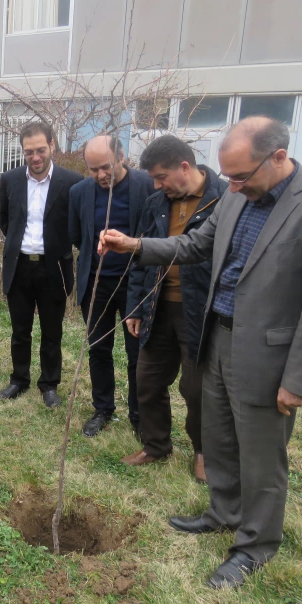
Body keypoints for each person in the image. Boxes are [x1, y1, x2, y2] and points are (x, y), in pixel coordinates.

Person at [99, 117, 302, 588]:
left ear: (278, 157)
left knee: (260, 455)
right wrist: (135, 245)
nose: (233, 186)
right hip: (215, 337)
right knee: (217, 436)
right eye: (229, 176)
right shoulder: (237, 197)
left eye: (241, 176)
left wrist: (299, 379)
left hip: (266, 354)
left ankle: (256, 545)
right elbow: (196, 244)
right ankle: (224, 511)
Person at [122, 135, 228, 482]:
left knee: (197, 389)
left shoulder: (226, 199)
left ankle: (203, 451)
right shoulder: (156, 203)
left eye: (161, 176)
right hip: (157, 307)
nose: (156, 184)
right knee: (147, 380)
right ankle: (155, 445)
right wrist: (136, 306)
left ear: (185, 167)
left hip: (201, 312)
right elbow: (141, 259)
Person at [68, 135, 152, 437]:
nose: (101, 175)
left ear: (121, 156)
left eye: (105, 167)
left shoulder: (147, 185)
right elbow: (78, 236)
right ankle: (102, 408)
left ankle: (139, 415)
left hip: (136, 284)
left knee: (137, 353)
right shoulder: (79, 193)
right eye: (93, 170)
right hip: (96, 284)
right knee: (98, 349)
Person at [0, 122, 82, 408]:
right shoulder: (10, 180)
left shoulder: (71, 182)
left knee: (51, 331)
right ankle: (19, 380)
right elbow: (5, 221)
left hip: (53, 267)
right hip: (19, 265)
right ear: (22, 151)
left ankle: (49, 384)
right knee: (20, 330)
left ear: (53, 146)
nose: (35, 157)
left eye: (41, 150)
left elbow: (76, 224)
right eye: (29, 151)